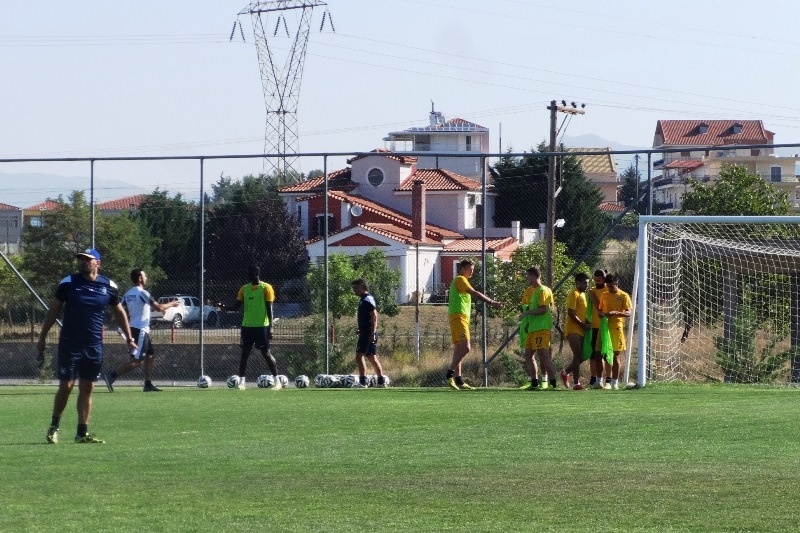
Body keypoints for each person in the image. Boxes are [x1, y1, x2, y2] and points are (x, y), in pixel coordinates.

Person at [37, 248, 138, 444]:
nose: (83, 262)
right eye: (81, 259)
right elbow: (53, 311)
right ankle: (54, 426)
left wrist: (129, 338)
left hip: (94, 346)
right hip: (70, 344)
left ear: (97, 263)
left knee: (87, 387)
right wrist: (42, 337)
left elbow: (119, 313)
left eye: (88, 259)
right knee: (66, 386)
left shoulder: (108, 286)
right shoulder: (68, 283)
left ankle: (82, 432)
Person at [102, 269, 180, 393]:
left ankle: (148, 384)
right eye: (145, 276)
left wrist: (121, 326)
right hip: (141, 330)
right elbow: (158, 307)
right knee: (137, 361)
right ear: (140, 278)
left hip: (135, 329)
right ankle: (111, 376)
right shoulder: (143, 293)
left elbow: (120, 310)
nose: (146, 278)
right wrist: (171, 304)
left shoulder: (128, 294)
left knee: (150, 356)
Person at [445, 258, 503, 390]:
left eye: (473, 270)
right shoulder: (460, 280)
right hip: (458, 317)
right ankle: (449, 374)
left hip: (461, 318)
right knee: (466, 348)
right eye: (469, 269)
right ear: (462, 269)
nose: (472, 272)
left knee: (459, 349)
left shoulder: (463, 281)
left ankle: (458, 380)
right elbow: (475, 293)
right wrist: (491, 302)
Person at [223, 265, 281, 390]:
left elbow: (269, 308)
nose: (248, 275)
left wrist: (271, 327)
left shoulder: (266, 288)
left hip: (262, 326)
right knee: (244, 354)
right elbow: (236, 306)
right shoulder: (244, 289)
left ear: (256, 273)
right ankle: (242, 383)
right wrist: (223, 306)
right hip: (247, 327)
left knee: (266, 353)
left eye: (250, 273)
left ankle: (277, 381)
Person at [519, 267, 557, 390]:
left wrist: (528, 313)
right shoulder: (533, 291)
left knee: (544, 355)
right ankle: (534, 382)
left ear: (534, 276)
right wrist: (527, 324)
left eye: (528, 276)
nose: (527, 279)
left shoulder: (543, 290)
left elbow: (544, 309)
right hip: (532, 329)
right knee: (528, 355)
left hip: (541, 328)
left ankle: (553, 383)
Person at [598, 273, 632, 390]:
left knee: (616, 355)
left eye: (612, 286)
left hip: (617, 327)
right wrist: (601, 314)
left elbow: (628, 313)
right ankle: (607, 381)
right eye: (608, 286)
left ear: (617, 284)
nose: (610, 288)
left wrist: (616, 313)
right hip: (605, 327)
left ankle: (615, 382)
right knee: (606, 354)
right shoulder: (604, 295)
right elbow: (600, 310)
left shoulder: (624, 296)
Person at [351, 278, 387, 388]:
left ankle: (363, 382)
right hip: (366, 332)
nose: (354, 290)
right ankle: (381, 382)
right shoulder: (363, 299)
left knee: (359, 356)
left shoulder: (367, 299)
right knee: (371, 357)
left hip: (368, 333)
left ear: (362, 287)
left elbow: (374, 316)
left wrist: (372, 333)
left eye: (356, 288)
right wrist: (361, 329)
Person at [559, 272, 591, 390]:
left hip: (582, 328)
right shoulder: (574, 294)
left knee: (583, 355)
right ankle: (576, 383)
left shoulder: (583, 295)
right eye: (584, 283)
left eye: (587, 283)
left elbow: (581, 313)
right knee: (577, 355)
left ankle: (565, 372)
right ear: (577, 283)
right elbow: (571, 313)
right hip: (573, 329)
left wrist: (587, 322)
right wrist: (582, 324)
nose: (586, 285)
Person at [588, 269, 609, 389]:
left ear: (604, 279)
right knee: (594, 355)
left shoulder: (608, 290)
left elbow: (600, 307)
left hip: (605, 326)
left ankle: (608, 380)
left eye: (599, 280)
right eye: (595, 280)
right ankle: (594, 379)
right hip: (594, 326)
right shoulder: (592, 290)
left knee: (606, 355)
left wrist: (593, 298)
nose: (597, 282)